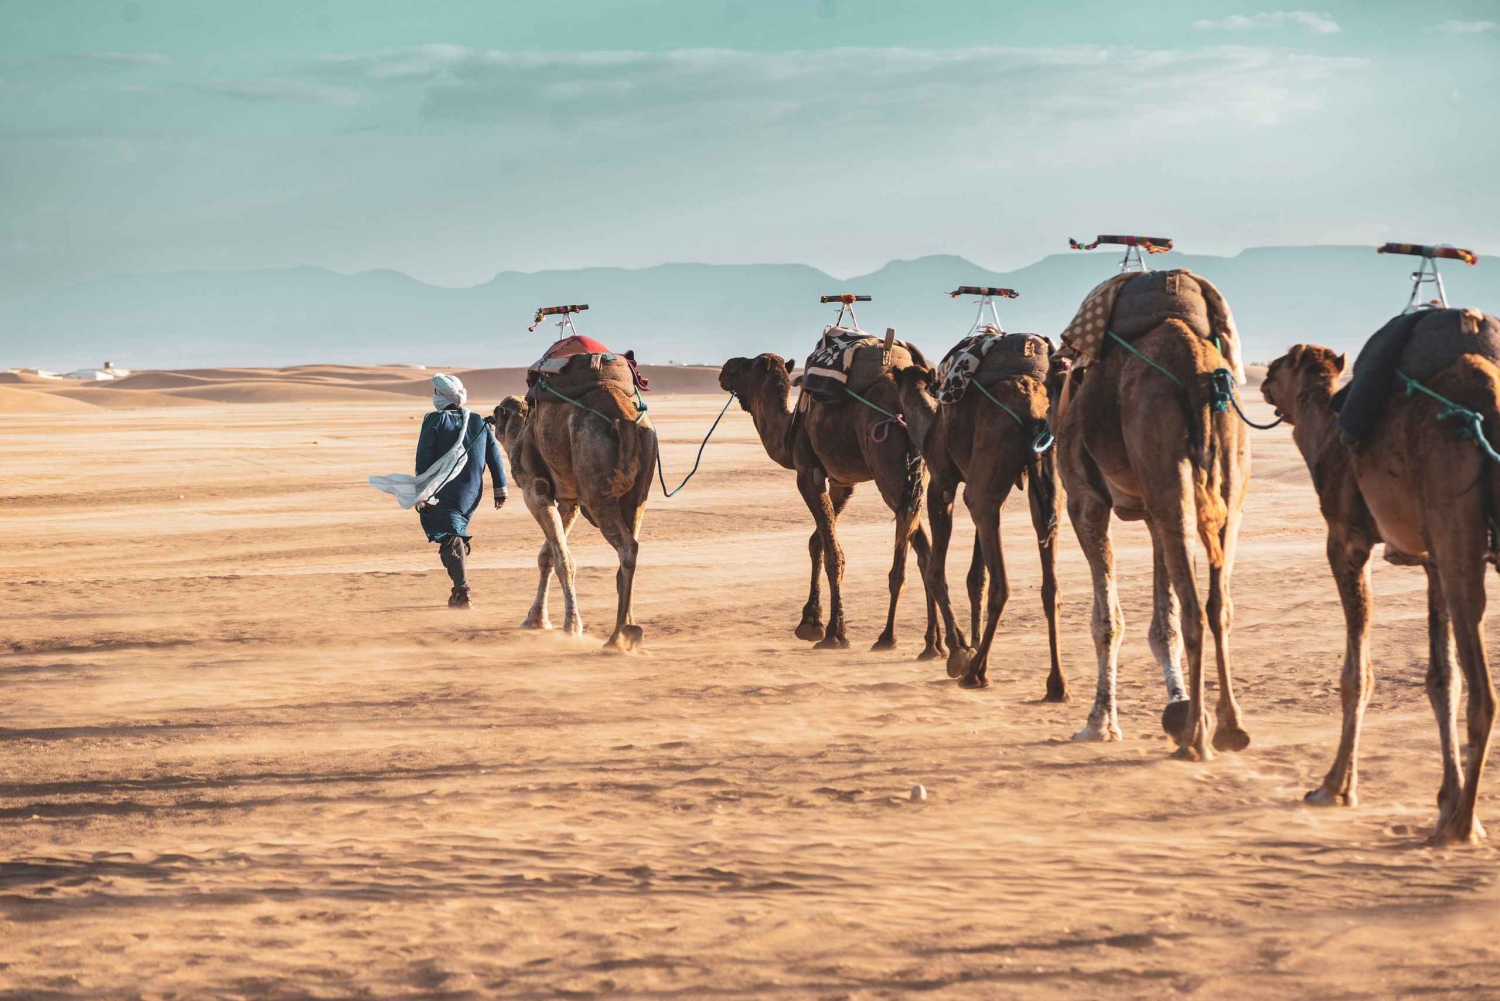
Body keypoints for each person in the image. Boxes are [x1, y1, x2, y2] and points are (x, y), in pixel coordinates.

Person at [413, 374, 507, 608]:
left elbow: (423, 458)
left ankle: (461, 590)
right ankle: (459, 577)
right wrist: (499, 489)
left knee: (449, 534)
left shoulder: (435, 420)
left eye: (436, 393)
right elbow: (494, 457)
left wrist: (421, 491)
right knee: (453, 530)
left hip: (443, 489)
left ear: (442, 396)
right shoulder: (477, 421)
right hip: (472, 490)